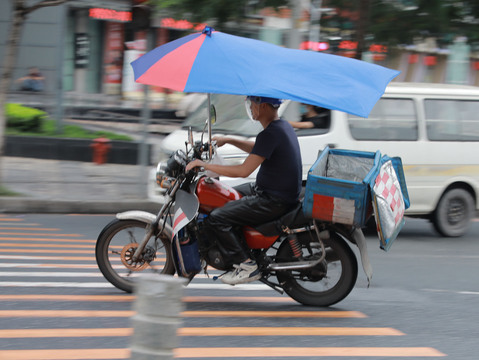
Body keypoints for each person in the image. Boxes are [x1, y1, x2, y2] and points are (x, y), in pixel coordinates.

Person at [186, 96, 302, 285]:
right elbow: (259, 149)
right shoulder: (281, 127)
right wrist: (229, 140)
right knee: (223, 195)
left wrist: (205, 165)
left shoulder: (271, 133)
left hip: (272, 199)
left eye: (252, 104)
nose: (250, 108)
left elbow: (243, 170)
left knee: (217, 217)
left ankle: (247, 265)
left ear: (262, 106)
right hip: (269, 191)